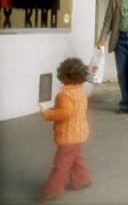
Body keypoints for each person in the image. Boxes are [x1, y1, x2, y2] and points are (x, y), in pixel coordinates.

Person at [39, 58, 92, 200]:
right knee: (75, 158)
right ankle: (82, 180)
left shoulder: (64, 95)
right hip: (80, 132)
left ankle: (53, 190)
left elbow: (64, 113)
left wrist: (47, 113)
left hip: (69, 135)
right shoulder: (80, 91)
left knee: (61, 163)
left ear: (63, 76)